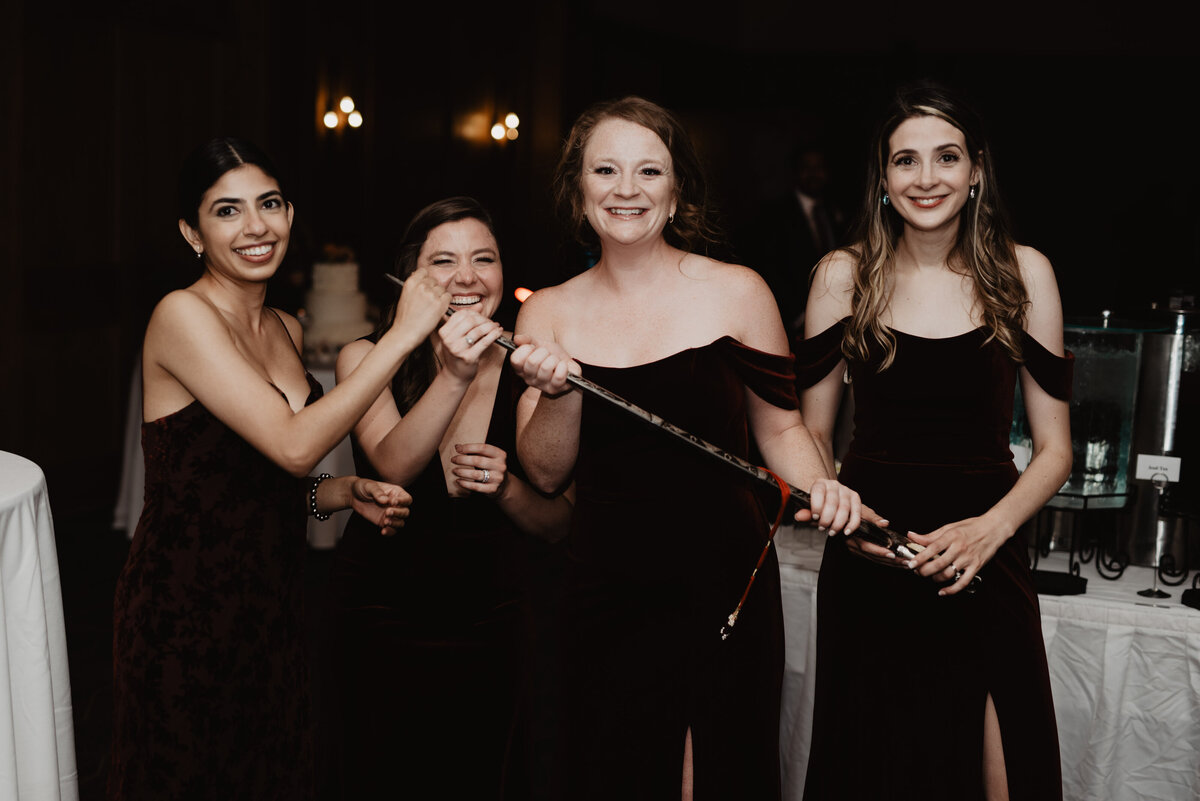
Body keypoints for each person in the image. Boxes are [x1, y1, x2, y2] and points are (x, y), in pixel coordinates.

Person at [508, 96, 867, 801]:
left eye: (649, 171)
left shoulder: (738, 292)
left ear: (676, 193)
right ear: (579, 189)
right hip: (605, 585)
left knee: (717, 772)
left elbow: (783, 430)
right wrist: (558, 392)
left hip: (723, 580)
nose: (626, 188)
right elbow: (547, 475)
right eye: (605, 170)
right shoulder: (547, 309)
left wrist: (822, 486)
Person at [109, 137, 450, 801]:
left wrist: (341, 492)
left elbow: (261, 483)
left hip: (275, 605)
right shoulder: (181, 316)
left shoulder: (290, 330)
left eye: (268, 204)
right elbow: (294, 444)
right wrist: (405, 333)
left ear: (290, 215)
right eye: (227, 211)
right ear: (193, 233)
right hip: (183, 609)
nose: (255, 225)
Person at [797, 81, 1072, 801]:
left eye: (946, 157)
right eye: (905, 161)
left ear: (976, 170)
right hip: (871, 556)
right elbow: (809, 431)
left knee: (1005, 771)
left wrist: (991, 530)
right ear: (882, 179)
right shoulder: (841, 275)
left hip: (987, 549)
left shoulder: (1024, 272)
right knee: (876, 768)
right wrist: (843, 513)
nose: (926, 178)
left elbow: (1056, 449)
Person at [325, 197, 573, 799]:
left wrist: (508, 488)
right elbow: (393, 463)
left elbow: (558, 525)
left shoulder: (532, 369)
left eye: (483, 259)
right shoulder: (366, 355)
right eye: (443, 261)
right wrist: (455, 374)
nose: (467, 277)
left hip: (499, 619)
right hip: (382, 611)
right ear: (412, 279)